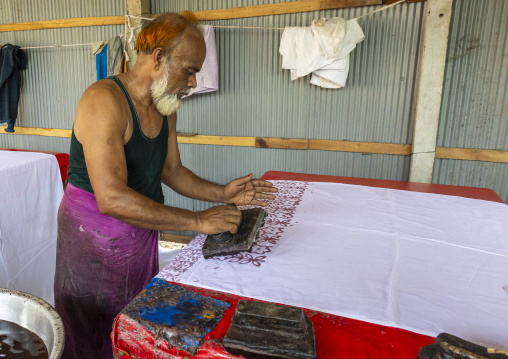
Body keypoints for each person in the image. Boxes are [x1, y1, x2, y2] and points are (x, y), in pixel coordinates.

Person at [54, 11, 277, 359]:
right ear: (159, 57)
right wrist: (198, 221)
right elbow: (111, 198)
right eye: (189, 71)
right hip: (93, 238)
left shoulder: (165, 106)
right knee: (90, 331)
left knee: (132, 320)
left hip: (139, 230)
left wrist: (222, 193)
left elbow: (172, 170)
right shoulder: (103, 100)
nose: (192, 83)